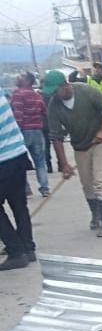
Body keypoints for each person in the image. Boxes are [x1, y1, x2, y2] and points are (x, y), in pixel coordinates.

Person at [43, 70, 102, 237]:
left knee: (99, 180)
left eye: (56, 90)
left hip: (101, 143)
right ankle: (96, 214)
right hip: (80, 146)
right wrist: (64, 164)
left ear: (65, 85)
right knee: (87, 185)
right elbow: (56, 137)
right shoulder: (54, 106)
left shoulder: (86, 91)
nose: (54, 95)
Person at [0, 93, 36, 270]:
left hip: (3, 160)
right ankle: (28, 248)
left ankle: (16, 252)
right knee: (19, 204)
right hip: (18, 155)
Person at [10, 72, 49, 197]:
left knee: (20, 161)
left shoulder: (18, 94)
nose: (17, 77)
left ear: (27, 81)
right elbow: (44, 111)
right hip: (37, 131)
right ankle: (44, 188)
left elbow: (18, 115)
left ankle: (26, 189)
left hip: (23, 131)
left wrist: (17, 132)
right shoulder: (37, 95)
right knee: (40, 161)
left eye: (20, 76)